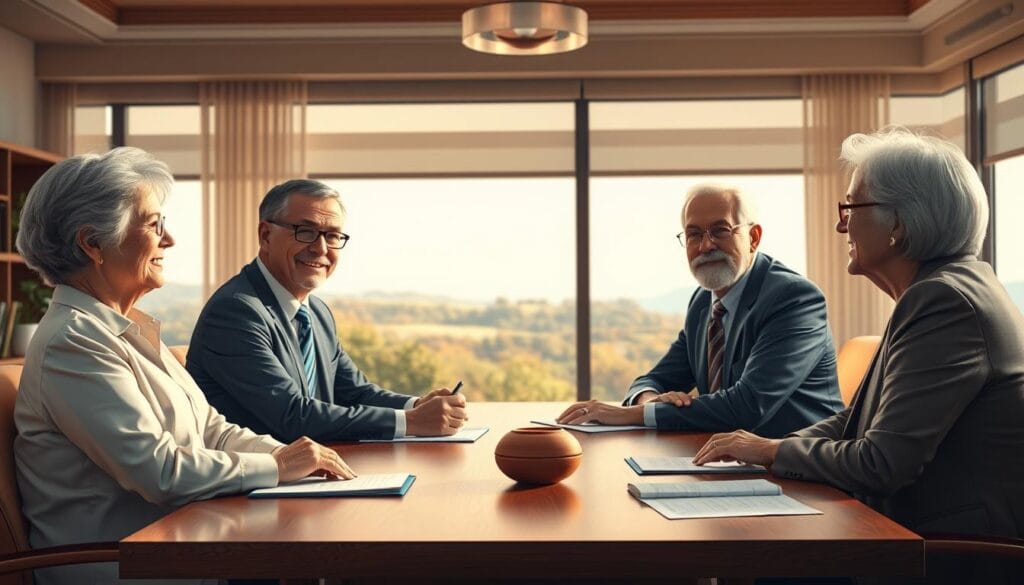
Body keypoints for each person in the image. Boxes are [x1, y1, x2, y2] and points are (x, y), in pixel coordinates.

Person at [693, 128, 1024, 584]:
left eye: (850, 208)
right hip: (913, 533)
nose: (840, 225)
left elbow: (881, 463)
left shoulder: (943, 302)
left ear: (899, 224)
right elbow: (858, 422)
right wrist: (758, 450)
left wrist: (771, 450)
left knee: (741, 557)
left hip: (946, 553)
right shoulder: (946, 288)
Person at [13, 148, 354, 585]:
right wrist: (280, 467)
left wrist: (294, 457)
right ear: (93, 243)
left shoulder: (130, 330)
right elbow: (160, 472)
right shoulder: (72, 342)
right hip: (130, 567)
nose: (168, 240)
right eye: (154, 225)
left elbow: (213, 429)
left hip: (184, 543)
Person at [187, 179, 467, 442]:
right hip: (256, 484)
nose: (320, 248)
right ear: (265, 235)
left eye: (332, 236)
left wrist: (417, 405)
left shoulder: (317, 313)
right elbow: (292, 416)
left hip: (312, 472)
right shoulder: (235, 312)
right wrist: (411, 422)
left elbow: (353, 392)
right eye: (305, 231)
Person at [558, 184, 842, 438]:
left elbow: (748, 405)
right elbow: (654, 379)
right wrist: (649, 400)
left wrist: (629, 415)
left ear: (753, 237)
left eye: (720, 230)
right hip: (728, 460)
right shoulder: (704, 301)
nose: (705, 246)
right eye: (693, 234)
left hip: (801, 472)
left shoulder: (794, 299)